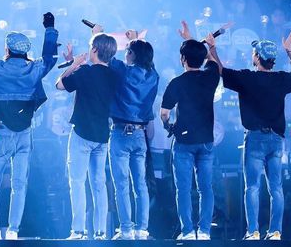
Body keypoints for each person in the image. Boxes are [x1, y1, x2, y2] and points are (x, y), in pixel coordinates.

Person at [0, 13, 59, 241]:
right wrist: (50, 29)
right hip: (25, 133)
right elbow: (50, 57)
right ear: (25, 51)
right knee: (19, 184)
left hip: (3, 132)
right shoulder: (35, 69)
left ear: (7, 50)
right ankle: (14, 230)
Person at [208, 31, 291, 240]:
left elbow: (221, 70)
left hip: (255, 139)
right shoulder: (282, 79)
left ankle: (253, 232)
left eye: (254, 52)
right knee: (276, 188)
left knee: (252, 187)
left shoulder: (247, 77)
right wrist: (289, 50)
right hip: (277, 140)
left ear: (257, 58)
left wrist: (212, 48)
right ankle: (275, 231)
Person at [56, 29, 119, 240]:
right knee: (99, 184)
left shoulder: (85, 72)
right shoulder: (114, 75)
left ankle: (79, 230)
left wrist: (74, 65)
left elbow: (59, 85)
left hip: (82, 133)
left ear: (94, 50)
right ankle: (101, 232)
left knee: (77, 182)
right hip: (102, 135)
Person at [160, 21, 220, 240]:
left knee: (183, 190)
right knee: (206, 189)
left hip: (184, 143)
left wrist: (170, 127)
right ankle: (204, 231)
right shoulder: (211, 76)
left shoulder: (176, 83)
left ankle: (187, 231)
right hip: (206, 141)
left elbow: (164, 113)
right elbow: (211, 60)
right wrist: (205, 45)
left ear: (182, 59)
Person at [108, 31, 159, 240]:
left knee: (121, 185)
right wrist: (135, 40)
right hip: (140, 135)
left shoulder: (122, 70)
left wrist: (126, 42)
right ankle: (143, 229)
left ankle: (126, 230)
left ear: (131, 54)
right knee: (140, 184)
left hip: (121, 133)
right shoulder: (153, 76)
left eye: (128, 51)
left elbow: (108, 56)